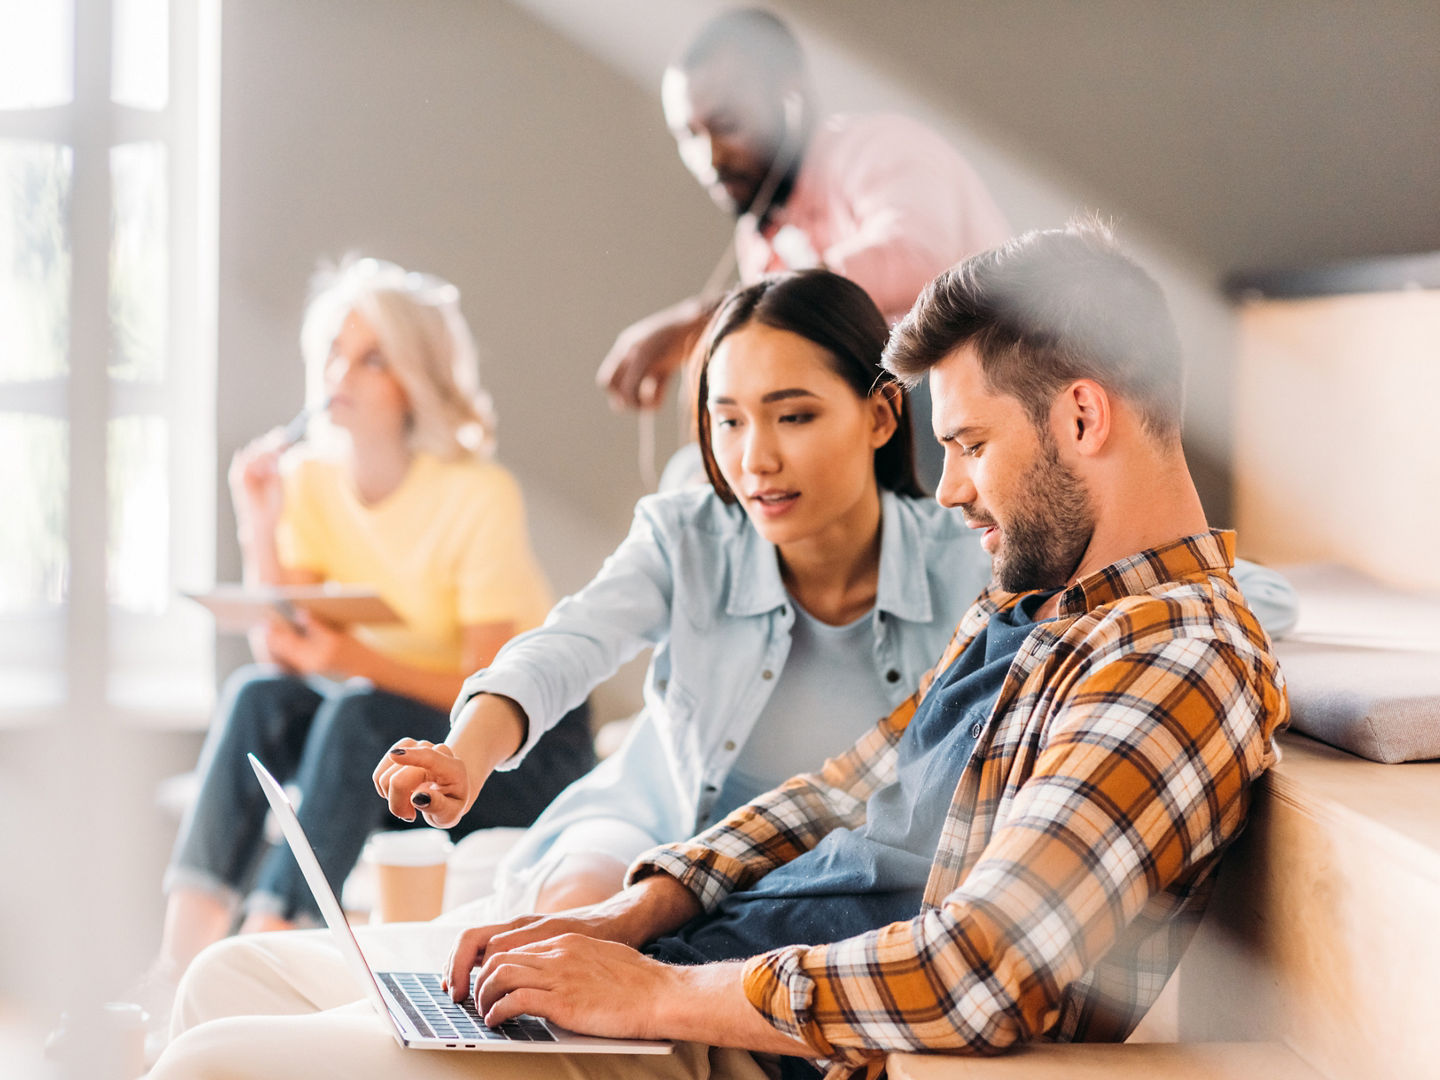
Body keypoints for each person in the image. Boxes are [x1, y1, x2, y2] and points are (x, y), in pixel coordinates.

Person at [152, 229, 1292, 1079]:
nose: (949, 490)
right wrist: (635, 911)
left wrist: (655, 994)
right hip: (681, 969)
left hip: (716, 1043)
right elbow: (844, 790)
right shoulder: (1041, 609)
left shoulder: (1175, 663)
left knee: (217, 1063)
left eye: (973, 445)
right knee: (225, 979)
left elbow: (979, 969)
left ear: (1084, 418)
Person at [150, 258, 595, 995]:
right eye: (334, 352)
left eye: (372, 358)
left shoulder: (478, 495)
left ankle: (265, 950)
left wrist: (354, 656)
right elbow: (287, 651)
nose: (341, 374)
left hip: (512, 749)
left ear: (415, 380)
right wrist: (256, 520)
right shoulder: (313, 484)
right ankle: (175, 963)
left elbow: (484, 686)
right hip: (398, 738)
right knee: (257, 694)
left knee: (361, 713)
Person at [596, 7, 1010, 485]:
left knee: (902, 385)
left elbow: (916, 260)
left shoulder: (880, 146)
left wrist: (710, 316)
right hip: (888, 427)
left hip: (975, 391)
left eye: (727, 123)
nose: (710, 159)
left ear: (790, 96)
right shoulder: (760, 237)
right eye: (690, 135)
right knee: (697, 475)